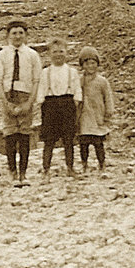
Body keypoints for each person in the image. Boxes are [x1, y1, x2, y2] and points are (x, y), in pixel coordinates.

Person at [0, 20, 42, 187]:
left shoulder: (32, 55)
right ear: (8, 36)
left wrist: (29, 102)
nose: (17, 36)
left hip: (26, 96)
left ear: (26, 35)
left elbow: (36, 80)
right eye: (14, 33)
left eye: (21, 33)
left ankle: (23, 173)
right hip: (8, 96)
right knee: (10, 135)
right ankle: (12, 172)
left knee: (24, 135)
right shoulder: (2, 55)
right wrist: (4, 102)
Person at [36, 37, 82, 179]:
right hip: (50, 105)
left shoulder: (72, 72)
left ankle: (70, 167)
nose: (58, 55)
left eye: (61, 51)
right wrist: (41, 104)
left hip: (67, 104)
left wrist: (75, 104)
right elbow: (41, 91)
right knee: (49, 140)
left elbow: (77, 91)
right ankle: (46, 169)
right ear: (49, 53)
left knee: (68, 139)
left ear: (66, 53)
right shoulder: (45, 72)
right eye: (55, 52)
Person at [76, 46, 114, 177]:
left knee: (98, 143)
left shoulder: (102, 81)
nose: (90, 66)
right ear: (82, 65)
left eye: (93, 63)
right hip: (84, 117)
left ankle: (102, 164)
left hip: (98, 116)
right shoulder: (79, 81)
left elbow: (108, 97)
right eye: (87, 63)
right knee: (84, 144)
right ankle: (84, 164)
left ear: (97, 64)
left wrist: (109, 111)